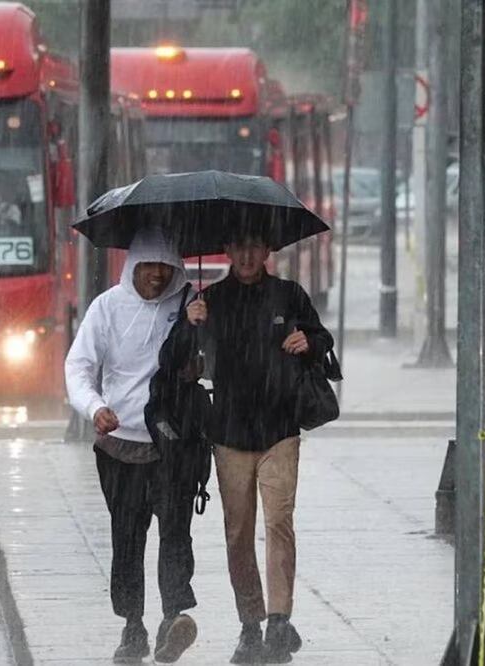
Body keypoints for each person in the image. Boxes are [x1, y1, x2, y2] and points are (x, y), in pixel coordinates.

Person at [167, 224, 333, 664]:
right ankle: (250, 624)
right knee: (237, 533)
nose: (245, 254)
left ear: (267, 250)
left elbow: (322, 338)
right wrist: (191, 324)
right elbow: (182, 361)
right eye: (238, 245)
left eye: (254, 246)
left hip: (280, 430)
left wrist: (309, 341)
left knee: (279, 521)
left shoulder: (289, 294)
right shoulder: (211, 301)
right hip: (229, 434)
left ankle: (279, 620)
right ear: (226, 248)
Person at [64, 226, 199, 664]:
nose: (157, 276)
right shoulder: (107, 308)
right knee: (127, 538)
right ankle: (133, 626)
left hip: (173, 445)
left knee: (175, 532)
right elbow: (79, 367)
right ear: (132, 267)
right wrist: (94, 407)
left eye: (166, 267)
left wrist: (199, 335)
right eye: (148, 266)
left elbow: (208, 366)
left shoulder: (189, 308)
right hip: (119, 447)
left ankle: (173, 616)